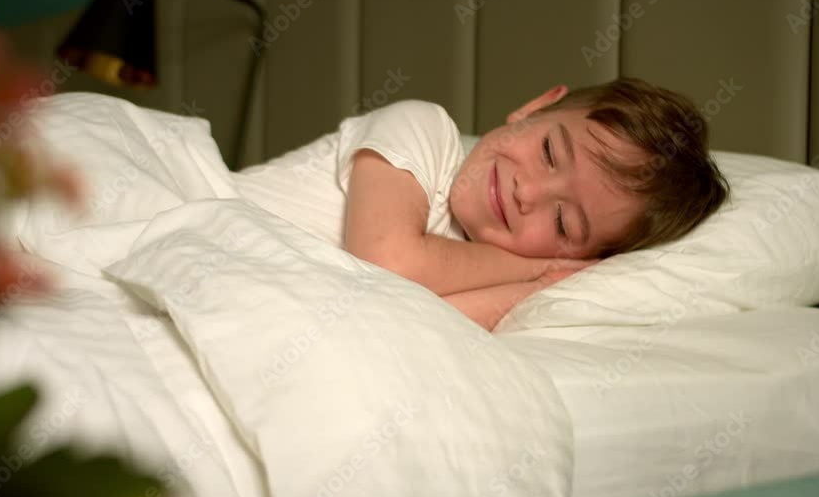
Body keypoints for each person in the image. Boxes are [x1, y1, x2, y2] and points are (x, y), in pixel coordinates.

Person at [233, 78, 728, 330]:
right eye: (550, 151)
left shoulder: (500, 274)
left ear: (584, 257)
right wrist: (532, 265)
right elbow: (387, 262)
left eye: (562, 220)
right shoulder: (425, 130)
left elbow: (401, 328)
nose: (527, 193)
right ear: (534, 107)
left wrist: (541, 284)